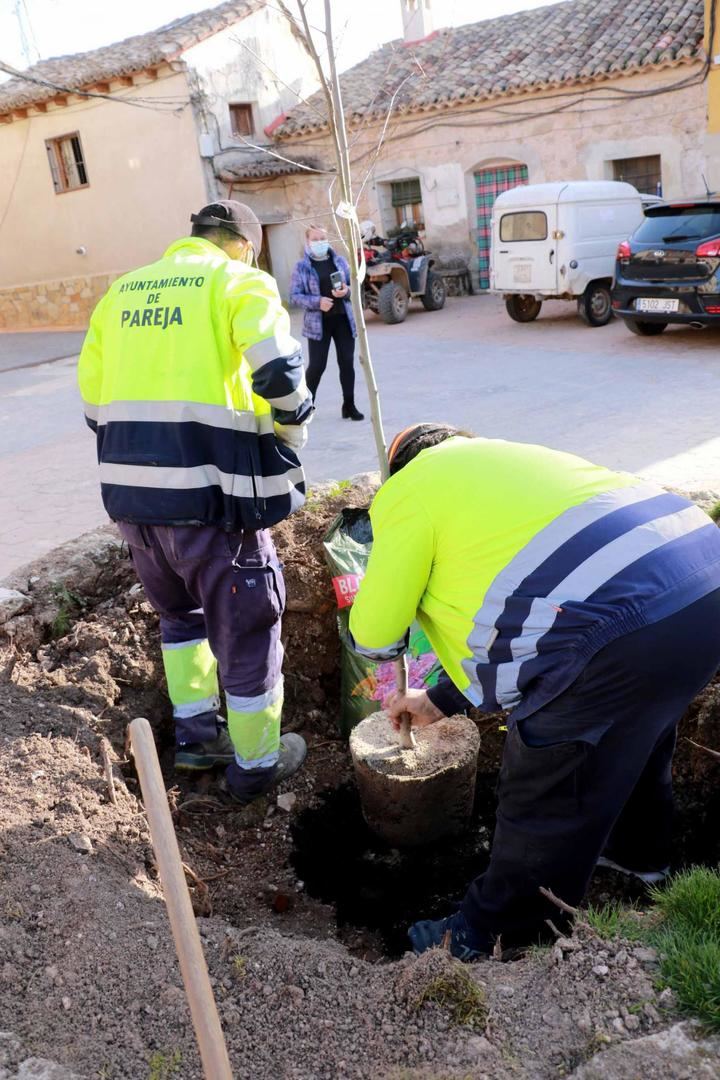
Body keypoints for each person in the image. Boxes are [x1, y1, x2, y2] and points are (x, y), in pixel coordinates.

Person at [348, 423, 720, 960]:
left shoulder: (410, 488)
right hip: (701, 572)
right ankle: (638, 859)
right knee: (638, 732)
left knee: (546, 786)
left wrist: (387, 642)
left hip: (613, 622)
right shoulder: (507, 463)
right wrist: (439, 699)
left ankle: (494, 932)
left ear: (400, 466)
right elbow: (521, 598)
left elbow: (375, 631)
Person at [78, 200, 313, 804]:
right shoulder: (238, 280)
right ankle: (257, 764)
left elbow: (91, 403)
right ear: (244, 243)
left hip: (134, 506)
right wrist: (292, 435)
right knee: (249, 629)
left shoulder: (122, 292)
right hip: (214, 504)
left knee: (182, 620)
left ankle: (196, 738)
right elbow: (280, 374)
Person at [290, 225, 364, 421]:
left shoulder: (339, 261)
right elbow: (294, 296)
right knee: (317, 366)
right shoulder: (302, 267)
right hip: (318, 324)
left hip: (343, 320)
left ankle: (349, 405)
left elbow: (353, 288)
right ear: (308, 242)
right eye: (315, 239)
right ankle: (305, 406)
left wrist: (345, 291)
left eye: (323, 238)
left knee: (347, 363)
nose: (320, 242)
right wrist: (317, 302)